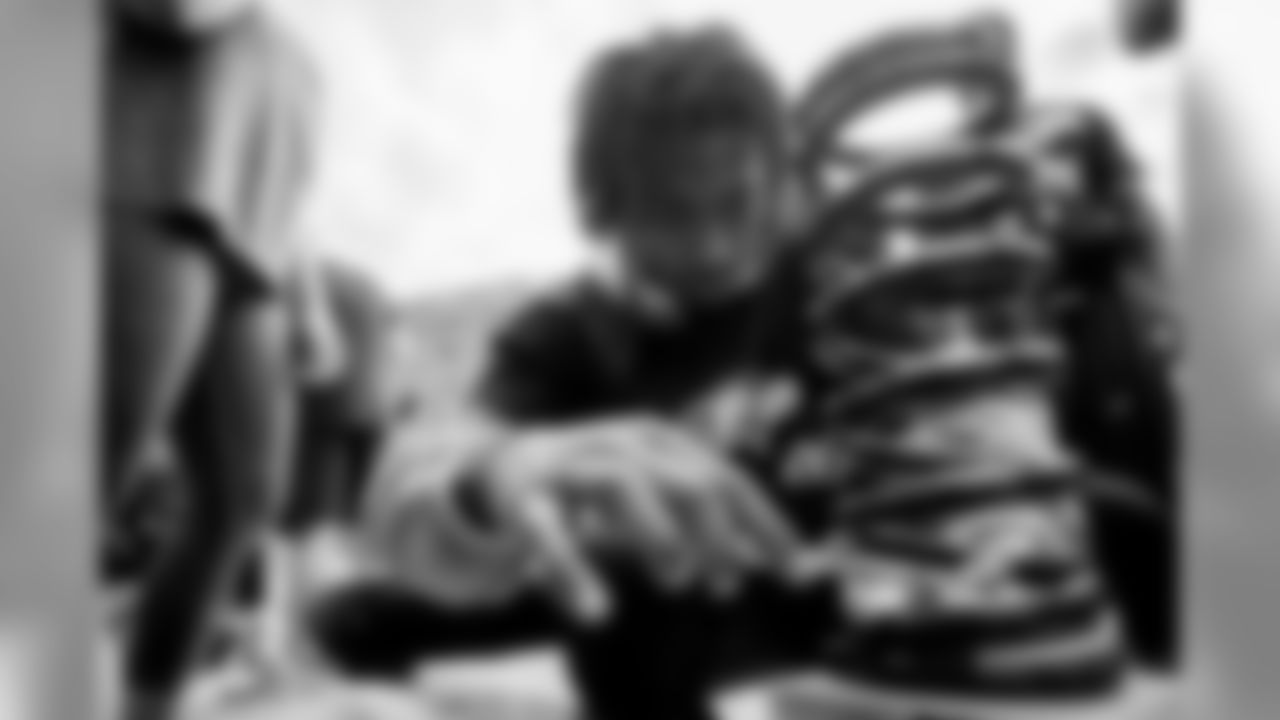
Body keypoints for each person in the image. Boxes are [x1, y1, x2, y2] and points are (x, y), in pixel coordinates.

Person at [305, 27, 815, 720]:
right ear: (607, 207)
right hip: (640, 598)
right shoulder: (572, 329)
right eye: (670, 213)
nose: (712, 247)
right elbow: (421, 469)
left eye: (738, 204)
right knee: (355, 617)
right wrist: (495, 477)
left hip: (830, 577)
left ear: (782, 182)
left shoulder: (842, 284)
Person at [104, 0, 320, 717]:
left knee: (243, 500)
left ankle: (148, 708)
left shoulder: (295, 56)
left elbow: (293, 196)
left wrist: (309, 302)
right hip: (146, 180)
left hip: (254, 253)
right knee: (73, 487)